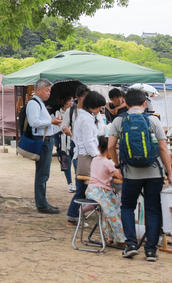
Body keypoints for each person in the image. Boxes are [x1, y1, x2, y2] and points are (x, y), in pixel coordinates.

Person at [107, 88, 172, 262]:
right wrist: (170, 173)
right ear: (145, 103)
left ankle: (131, 244)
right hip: (154, 172)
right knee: (153, 209)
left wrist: (118, 164)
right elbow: (162, 148)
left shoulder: (119, 120)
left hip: (131, 173)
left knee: (128, 207)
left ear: (126, 103)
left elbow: (110, 147)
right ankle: (151, 250)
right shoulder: (153, 120)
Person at [67, 91, 105, 226]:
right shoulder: (86, 119)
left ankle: (74, 215)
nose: (100, 110)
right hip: (85, 156)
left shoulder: (86, 117)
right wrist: (98, 157)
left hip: (83, 155)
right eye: (99, 106)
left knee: (83, 190)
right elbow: (89, 142)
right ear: (93, 105)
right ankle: (72, 216)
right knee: (82, 190)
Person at [26, 78, 63, 214]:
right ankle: (41, 204)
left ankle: (42, 202)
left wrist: (52, 122)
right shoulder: (34, 103)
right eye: (47, 91)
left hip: (46, 139)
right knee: (42, 174)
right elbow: (34, 122)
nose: (49, 93)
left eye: (49, 91)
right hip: (42, 140)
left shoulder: (39, 103)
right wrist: (50, 122)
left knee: (43, 173)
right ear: (39, 90)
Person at [86, 135, 125, 246]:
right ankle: (120, 238)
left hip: (91, 190)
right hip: (102, 192)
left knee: (108, 211)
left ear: (98, 148)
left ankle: (110, 237)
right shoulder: (108, 163)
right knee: (114, 212)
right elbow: (120, 176)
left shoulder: (94, 160)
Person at [54, 96, 74, 192]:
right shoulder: (58, 112)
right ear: (63, 101)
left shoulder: (74, 111)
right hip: (62, 140)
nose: (71, 103)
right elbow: (59, 124)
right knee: (65, 162)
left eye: (72, 101)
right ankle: (70, 183)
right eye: (69, 101)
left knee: (75, 161)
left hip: (72, 138)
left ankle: (77, 182)